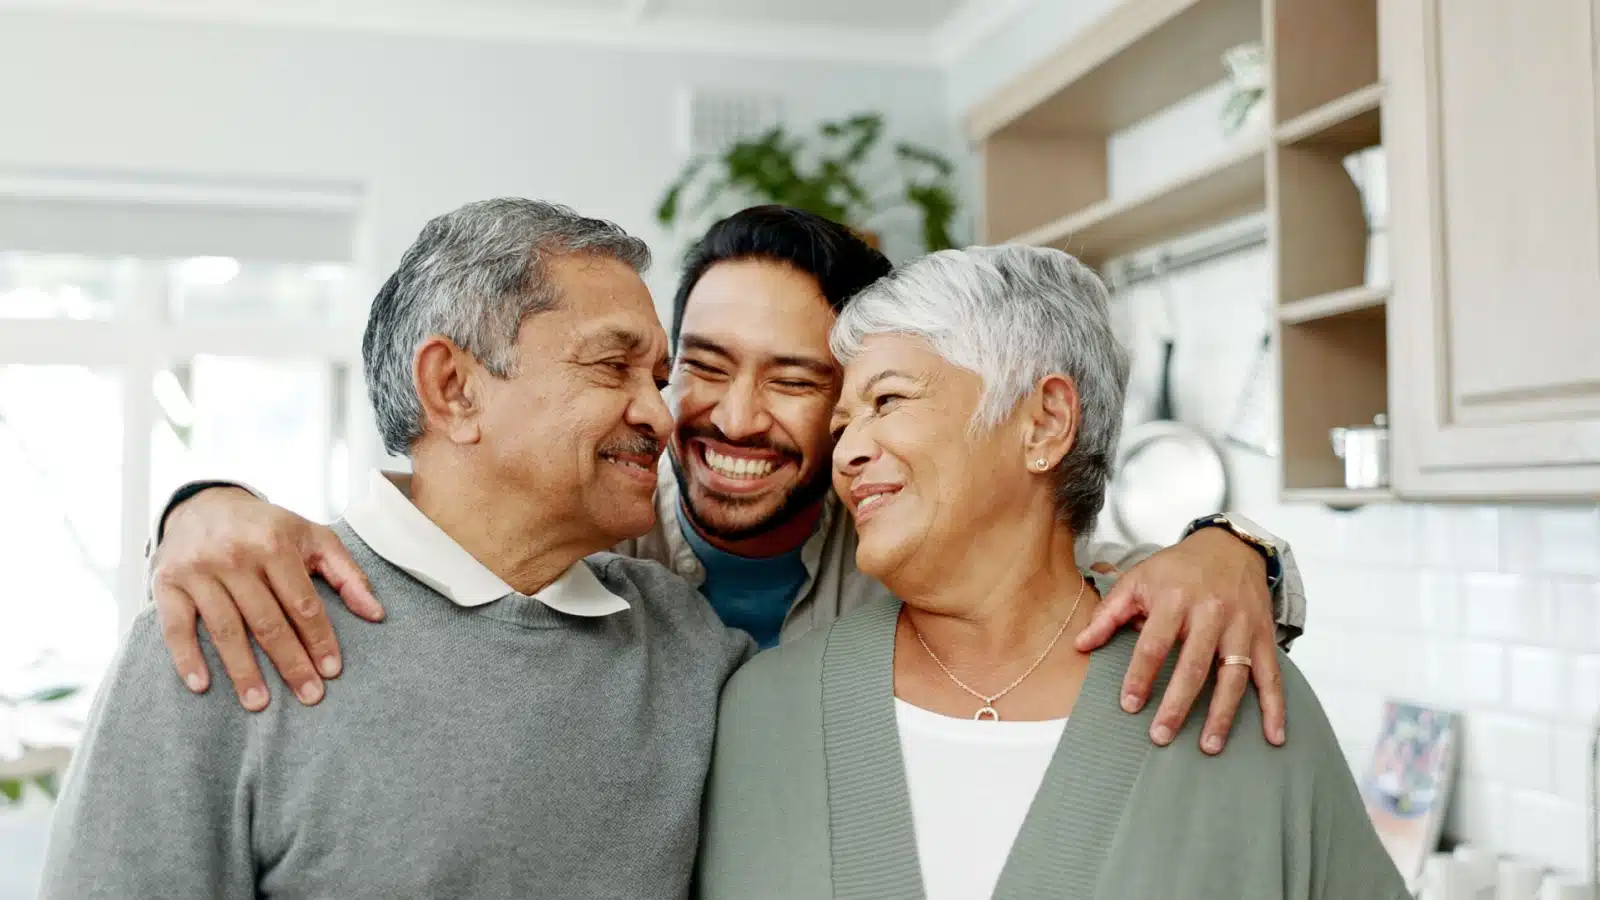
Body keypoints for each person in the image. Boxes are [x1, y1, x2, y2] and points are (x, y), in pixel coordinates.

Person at [148, 206, 1306, 754]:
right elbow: (436, 533)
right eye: (696, 366)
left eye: (795, 381)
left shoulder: (899, 547)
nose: (726, 418)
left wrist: (1237, 552)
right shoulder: (599, 528)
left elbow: (1080, 587)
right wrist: (198, 508)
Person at [42, 199, 752, 898]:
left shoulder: (687, 643)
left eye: (659, 380)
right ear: (453, 389)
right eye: (612, 366)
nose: (661, 416)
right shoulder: (227, 627)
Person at [696, 244, 1407, 900]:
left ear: (1044, 422)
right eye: (843, 424)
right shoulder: (761, 711)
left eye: (887, 401)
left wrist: (1236, 548)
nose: (847, 452)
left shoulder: (1228, 692)